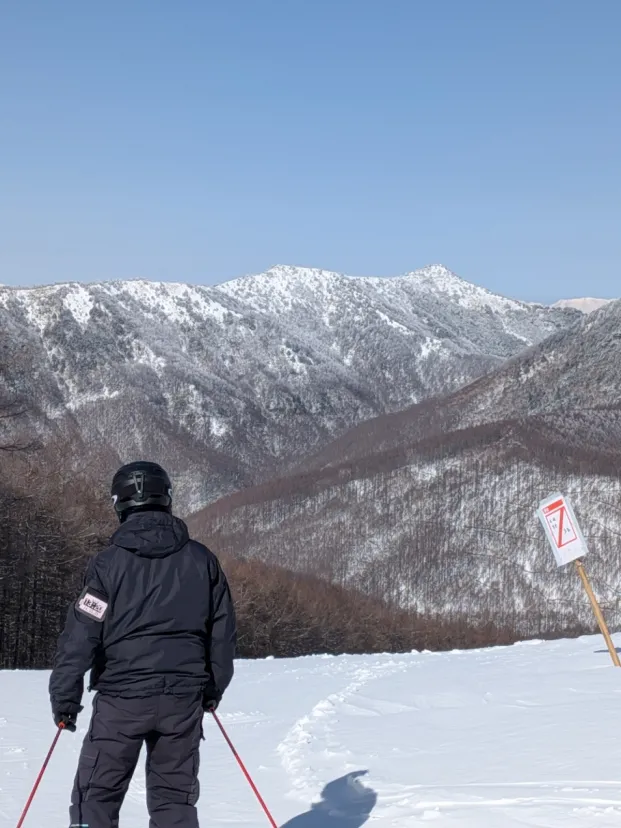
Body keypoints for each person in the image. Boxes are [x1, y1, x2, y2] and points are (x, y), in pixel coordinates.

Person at [49, 460, 237, 828]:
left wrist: (65, 698)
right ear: (166, 498)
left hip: (122, 700)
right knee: (174, 802)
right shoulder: (202, 561)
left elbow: (81, 633)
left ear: (119, 503)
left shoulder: (106, 565)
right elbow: (222, 632)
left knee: (97, 795)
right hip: (182, 699)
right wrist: (212, 687)